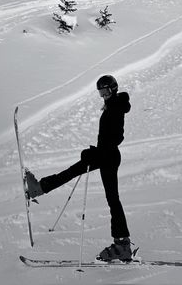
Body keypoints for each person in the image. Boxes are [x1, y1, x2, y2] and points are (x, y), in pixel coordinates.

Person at [26, 75, 133, 262]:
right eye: (100, 92)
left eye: (106, 91)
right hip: (105, 155)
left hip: (107, 157)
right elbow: (110, 138)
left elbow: (116, 137)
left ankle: (122, 244)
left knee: (112, 199)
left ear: (113, 89)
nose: (103, 96)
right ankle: (40, 188)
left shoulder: (115, 108)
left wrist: (97, 153)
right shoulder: (113, 105)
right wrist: (96, 152)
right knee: (74, 172)